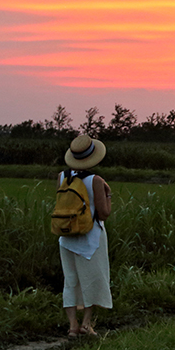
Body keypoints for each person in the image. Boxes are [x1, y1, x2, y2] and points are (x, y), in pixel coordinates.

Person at [58, 135, 112, 337]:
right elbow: (104, 213)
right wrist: (107, 194)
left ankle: (72, 325)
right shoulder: (95, 180)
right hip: (90, 238)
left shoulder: (62, 176)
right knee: (92, 280)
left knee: (70, 281)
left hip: (66, 237)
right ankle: (86, 324)